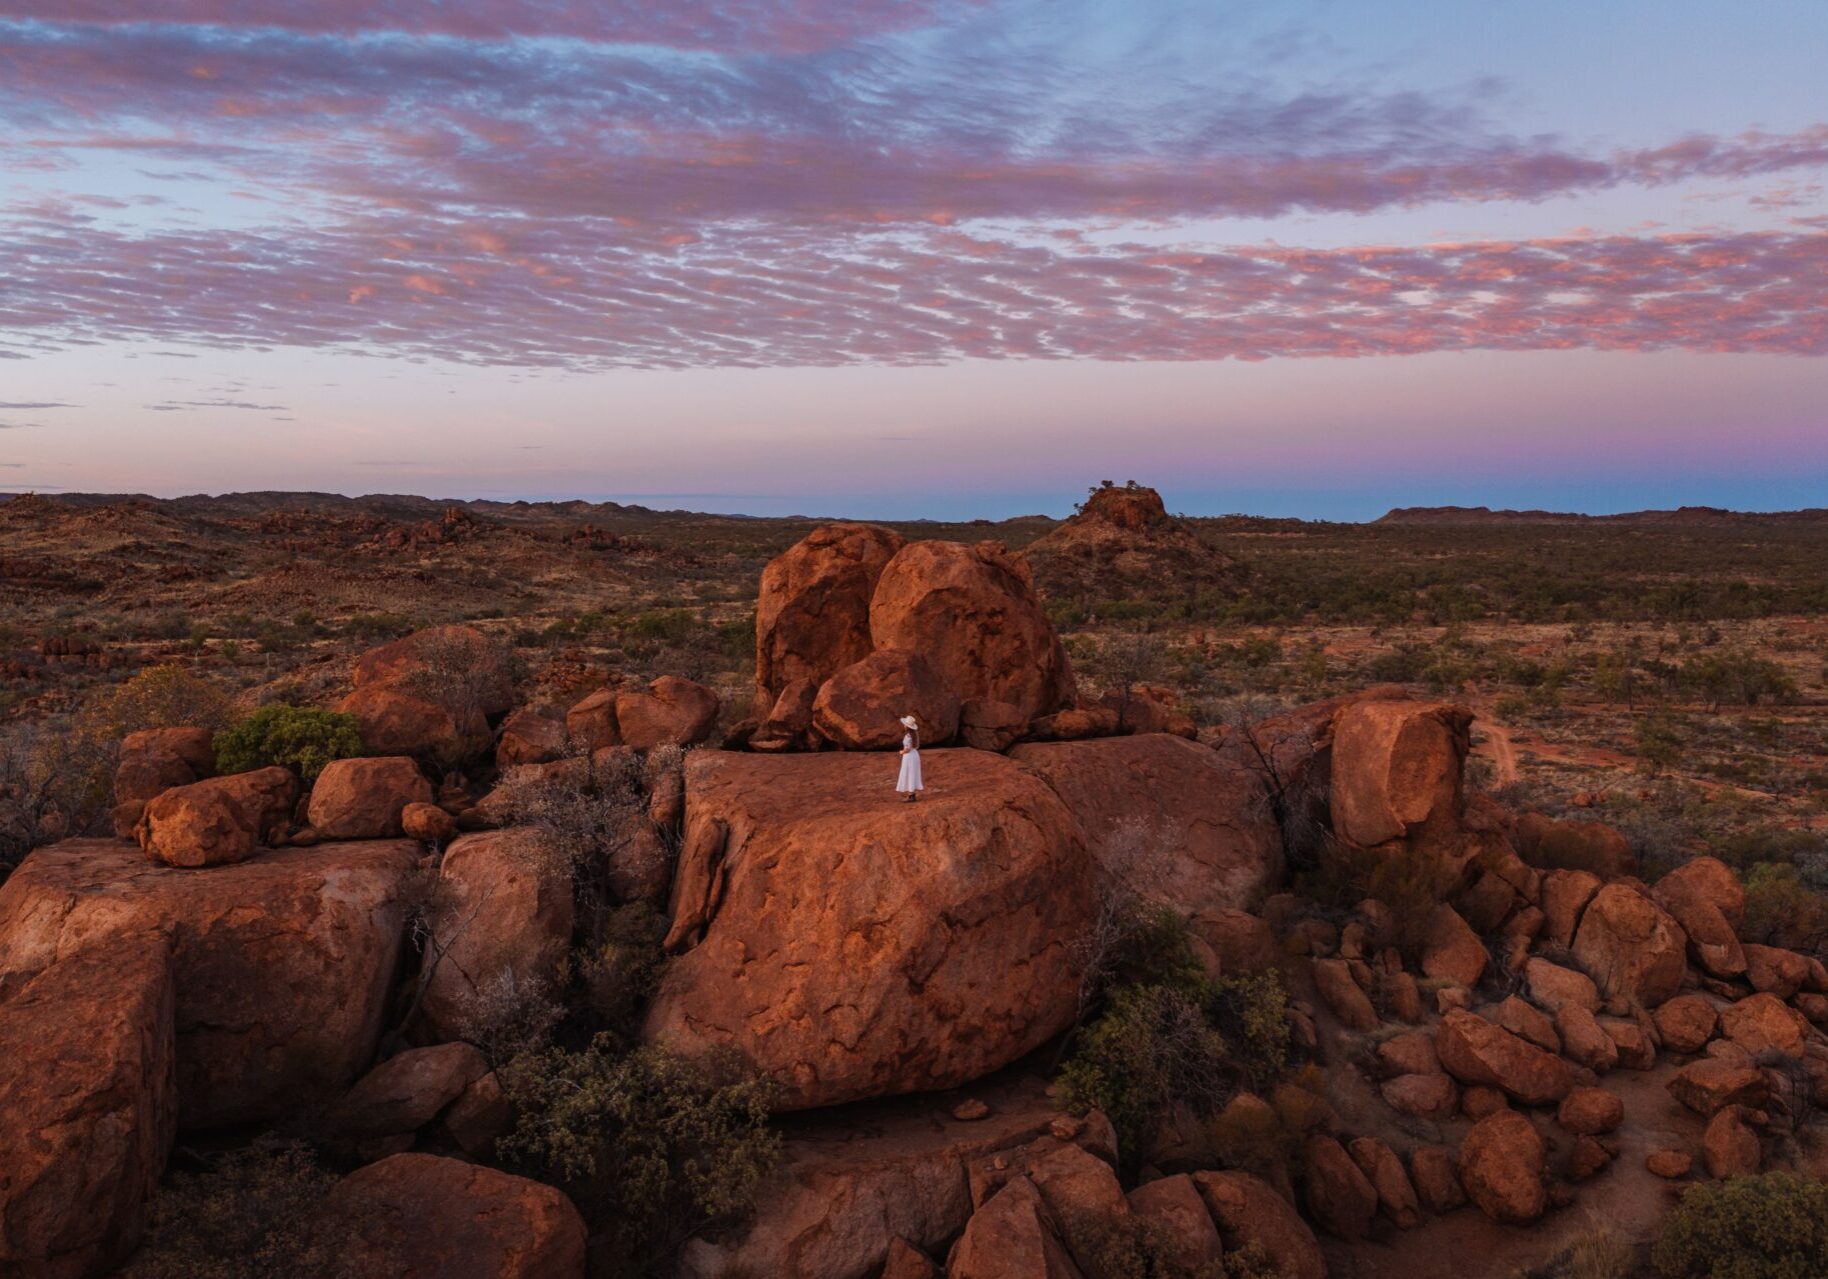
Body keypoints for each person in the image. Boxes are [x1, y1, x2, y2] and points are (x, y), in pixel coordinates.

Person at [896, 713, 923, 802]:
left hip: (909, 756)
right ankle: (912, 794)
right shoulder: (914, 734)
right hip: (914, 755)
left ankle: (911, 795)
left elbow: (907, 749)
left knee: (909, 773)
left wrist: (901, 752)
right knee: (913, 773)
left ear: (907, 726)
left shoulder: (908, 736)